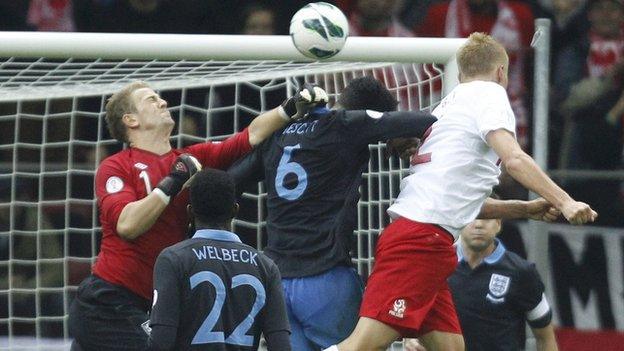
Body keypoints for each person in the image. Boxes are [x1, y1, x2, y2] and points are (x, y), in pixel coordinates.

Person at [228, 76, 558, 351]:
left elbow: (229, 183)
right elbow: (423, 121)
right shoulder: (344, 124)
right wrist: (400, 136)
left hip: (276, 280)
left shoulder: (277, 136)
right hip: (325, 277)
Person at [325, 32, 596, 351]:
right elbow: (514, 159)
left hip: (422, 239)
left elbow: (460, 201)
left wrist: (526, 209)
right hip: (419, 243)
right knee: (361, 347)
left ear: (462, 72)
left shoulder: (446, 109)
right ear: (501, 73)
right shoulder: (490, 96)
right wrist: (564, 201)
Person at [68, 81, 327, 350]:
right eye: (151, 100)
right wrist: (173, 182)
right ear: (130, 119)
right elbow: (128, 224)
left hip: (154, 304)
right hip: (111, 301)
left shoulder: (191, 157)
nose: (163, 102)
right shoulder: (116, 166)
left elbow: (247, 137)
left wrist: (289, 109)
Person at [148, 168, 290, 351]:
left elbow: (161, 343)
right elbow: (281, 346)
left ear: (190, 211)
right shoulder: (266, 267)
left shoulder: (173, 259)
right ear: (235, 210)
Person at [406, 196, 558, 351]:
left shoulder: (522, 272)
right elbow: (411, 318)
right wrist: (411, 340)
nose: (478, 224)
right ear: (459, 221)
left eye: (486, 218)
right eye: (471, 217)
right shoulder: (436, 266)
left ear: (498, 224)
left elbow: (545, 338)